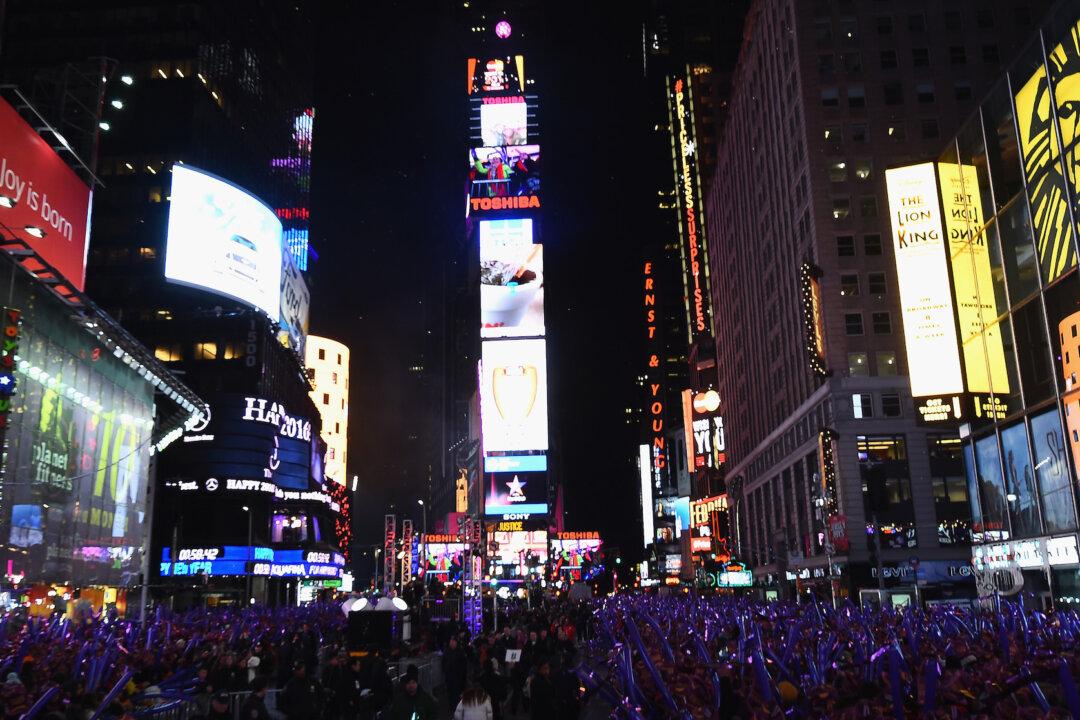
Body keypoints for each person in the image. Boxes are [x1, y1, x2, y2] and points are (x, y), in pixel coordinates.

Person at [442, 635, 468, 710]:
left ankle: (456, 708)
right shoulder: (447, 651)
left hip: (457, 676)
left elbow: (464, 664)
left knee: (456, 692)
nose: (452, 643)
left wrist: (462, 675)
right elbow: (443, 661)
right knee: (450, 692)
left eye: (453, 641)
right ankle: (452, 706)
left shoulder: (460, 651)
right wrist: (445, 669)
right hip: (449, 676)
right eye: (451, 641)